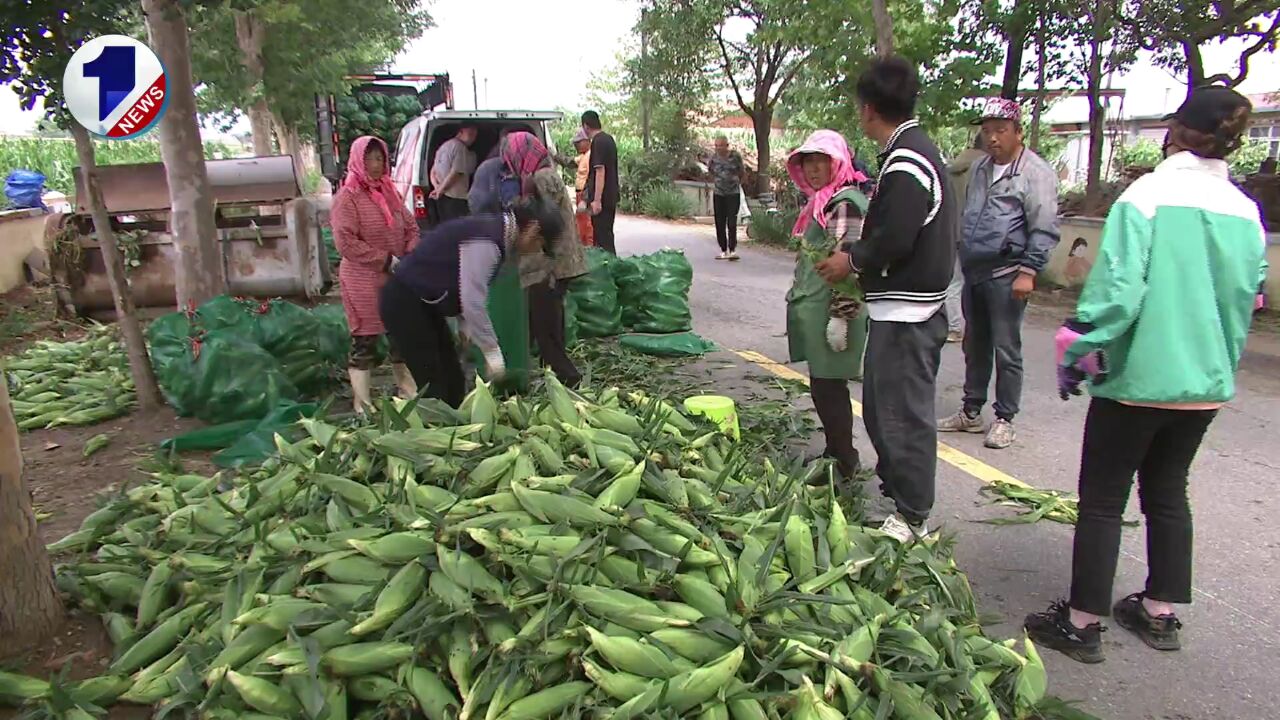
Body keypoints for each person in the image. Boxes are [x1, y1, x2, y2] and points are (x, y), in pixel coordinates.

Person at [1024, 87, 1267, 664]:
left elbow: (1118, 294)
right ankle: (1160, 612)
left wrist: (1079, 346)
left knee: (1103, 498)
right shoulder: (1246, 212)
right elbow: (1248, 300)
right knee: (1167, 491)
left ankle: (1082, 623)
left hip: (1140, 379)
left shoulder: (1148, 196)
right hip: (1205, 383)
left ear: (1177, 130)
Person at [816, 57, 955, 543]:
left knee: (900, 413)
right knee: (880, 408)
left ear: (868, 108)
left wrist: (850, 261)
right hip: (901, 308)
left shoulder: (908, 160)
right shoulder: (911, 151)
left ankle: (913, 516)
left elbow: (895, 238)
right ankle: (902, 499)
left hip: (910, 313)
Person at [937, 98, 1060, 450]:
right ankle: (971, 411)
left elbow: (1045, 226)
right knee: (975, 344)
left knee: (1007, 347)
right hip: (975, 269)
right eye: (987, 131)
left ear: (1018, 133)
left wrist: (1029, 271)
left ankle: (1005, 417)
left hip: (1009, 272)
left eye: (1001, 130)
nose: (992, 138)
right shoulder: (980, 169)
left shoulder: (1035, 172)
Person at [380, 196, 566, 408]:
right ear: (533, 229)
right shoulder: (488, 239)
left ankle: (453, 427)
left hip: (422, 303)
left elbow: (460, 281)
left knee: (454, 381)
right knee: (437, 384)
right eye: (540, 245)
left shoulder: (497, 234)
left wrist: (464, 325)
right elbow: (472, 299)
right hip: (405, 302)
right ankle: (439, 434)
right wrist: (491, 350)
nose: (535, 252)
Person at [784, 130, 871, 480]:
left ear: (838, 163)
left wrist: (841, 316)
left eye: (822, 160)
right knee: (824, 384)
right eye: (809, 161)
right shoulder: (823, 201)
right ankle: (836, 452)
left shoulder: (845, 202)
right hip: (818, 307)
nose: (815, 167)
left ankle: (844, 460)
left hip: (836, 310)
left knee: (830, 386)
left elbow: (847, 265)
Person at [329, 136, 420, 415]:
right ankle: (362, 402)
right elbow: (345, 243)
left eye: (380, 158)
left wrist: (409, 253)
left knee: (401, 336)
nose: (376, 164)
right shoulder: (348, 198)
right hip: (363, 279)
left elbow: (411, 227)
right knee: (365, 341)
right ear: (358, 161)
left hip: (394, 277)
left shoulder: (389, 193)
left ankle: (407, 392)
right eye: (370, 159)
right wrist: (384, 259)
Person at [501, 131, 587, 386]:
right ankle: (551, 377)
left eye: (512, 156)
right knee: (547, 323)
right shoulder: (541, 176)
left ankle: (569, 378)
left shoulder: (542, 177)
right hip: (551, 263)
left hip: (550, 265)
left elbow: (545, 220)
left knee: (545, 329)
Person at [944, 133, 988, 343]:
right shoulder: (984, 170)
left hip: (952, 231)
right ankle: (977, 329)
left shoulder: (952, 169)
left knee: (953, 281)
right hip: (978, 233)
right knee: (978, 283)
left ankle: (953, 327)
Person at [582, 110, 620, 254]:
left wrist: (597, 200)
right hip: (610, 197)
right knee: (606, 237)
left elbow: (600, 171)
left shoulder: (598, 141)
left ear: (586, 126)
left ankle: (611, 271)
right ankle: (610, 269)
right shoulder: (609, 139)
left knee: (603, 241)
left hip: (602, 199)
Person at [429, 123, 478, 223]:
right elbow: (456, 172)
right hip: (456, 198)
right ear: (460, 132)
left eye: (475, 135)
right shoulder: (460, 147)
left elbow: (433, 170)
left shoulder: (443, 146)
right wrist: (441, 190)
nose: (473, 138)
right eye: (471, 134)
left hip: (442, 197)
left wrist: (436, 187)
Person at [708, 134, 746, 260]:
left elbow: (742, 172)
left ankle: (732, 249)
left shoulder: (735, 157)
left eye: (721, 145)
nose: (718, 148)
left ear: (727, 146)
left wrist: (736, 183)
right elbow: (711, 171)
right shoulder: (713, 158)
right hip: (719, 193)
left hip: (733, 193)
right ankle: (723, 249)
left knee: (732, 222)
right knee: (719, 222)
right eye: (716, 146)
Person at [572, 129, 594, 246]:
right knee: (580, 223)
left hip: (585, 193)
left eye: (578, 143)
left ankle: (589, 248)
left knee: (587, 224)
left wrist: (585, 199)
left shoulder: (591, 155)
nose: (576, 146)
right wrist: (554, 156)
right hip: (580, 194)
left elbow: (591, 179)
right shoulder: (583, 156)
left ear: (586, 141)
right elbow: (570, 162)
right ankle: (583, 246)